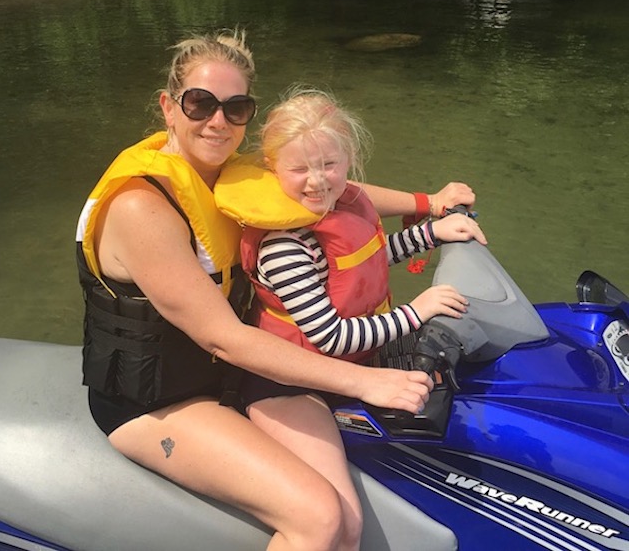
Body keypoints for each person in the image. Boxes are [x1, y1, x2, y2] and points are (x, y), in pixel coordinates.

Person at [75, 29, 474, 551]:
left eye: (235, 108)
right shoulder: (141, 207)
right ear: (169, 108)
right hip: (157, 400)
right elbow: (223, 339)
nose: (218, 121)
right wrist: (365, 383)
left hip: (231, 375)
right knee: (320, 519)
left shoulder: (228, 172)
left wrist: (428, 203)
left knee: (349, 525)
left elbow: (337, 192)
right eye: (200, 104)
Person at [216, 87, 487, 551]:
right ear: (272, 167)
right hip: (291, 382)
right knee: (342, 526)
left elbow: (368, 260)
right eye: (299, 168)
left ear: (350, 158)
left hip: (349, 364)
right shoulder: (285, 245)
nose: (317, 181)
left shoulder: (343, 205)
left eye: (329, 165)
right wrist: (416, 311)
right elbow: (330, 335)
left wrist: (432, 232)